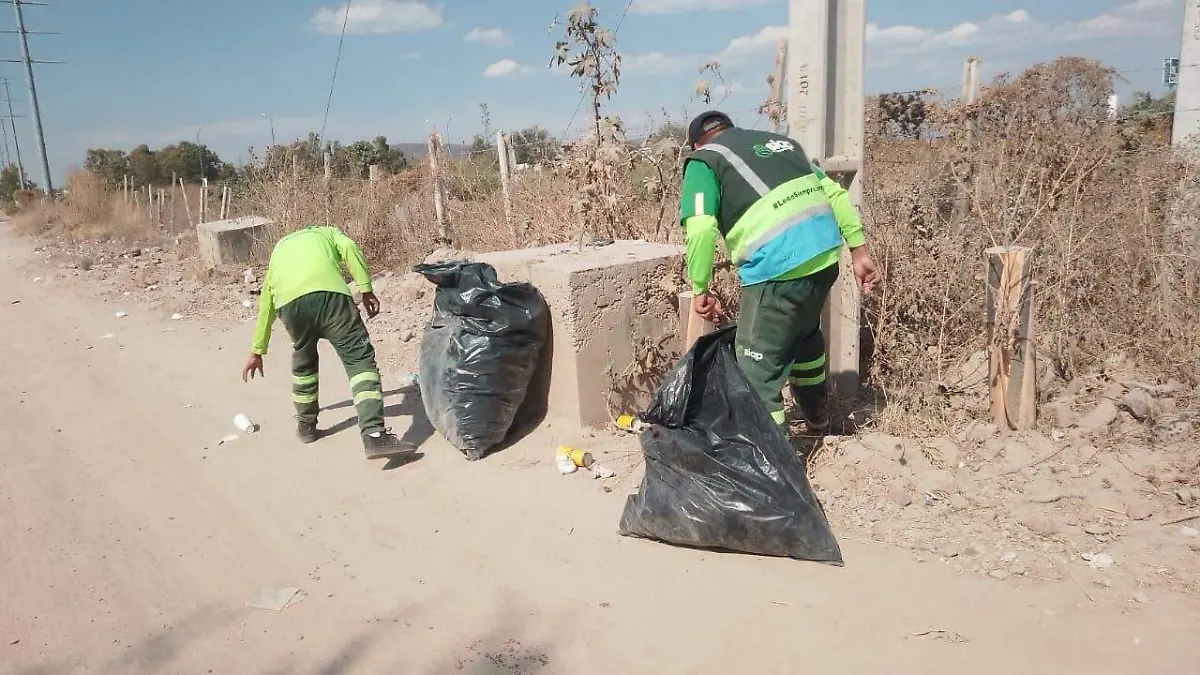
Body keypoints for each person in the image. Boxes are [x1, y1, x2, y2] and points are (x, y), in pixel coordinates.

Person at [679, 110, 880, 432]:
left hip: (776, 269)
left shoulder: (705, 160)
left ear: (696, 145)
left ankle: (775, 464)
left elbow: (701, 228)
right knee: (803, 337)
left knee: (755, 374)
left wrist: (701, 287)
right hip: (824, 258)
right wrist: (859, 250)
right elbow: (835, 194)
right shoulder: (781, 144)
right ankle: (817, 414)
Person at [240, 225, 411, 459]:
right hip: (331, 299)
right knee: (359, 361)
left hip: (290, 306)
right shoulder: (328, 233)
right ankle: (374, 436)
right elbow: (349, 247)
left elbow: (267, 301)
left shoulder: (279, 249)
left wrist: (257, 350)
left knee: (304, 362)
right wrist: (366, 288)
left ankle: (306, 426)